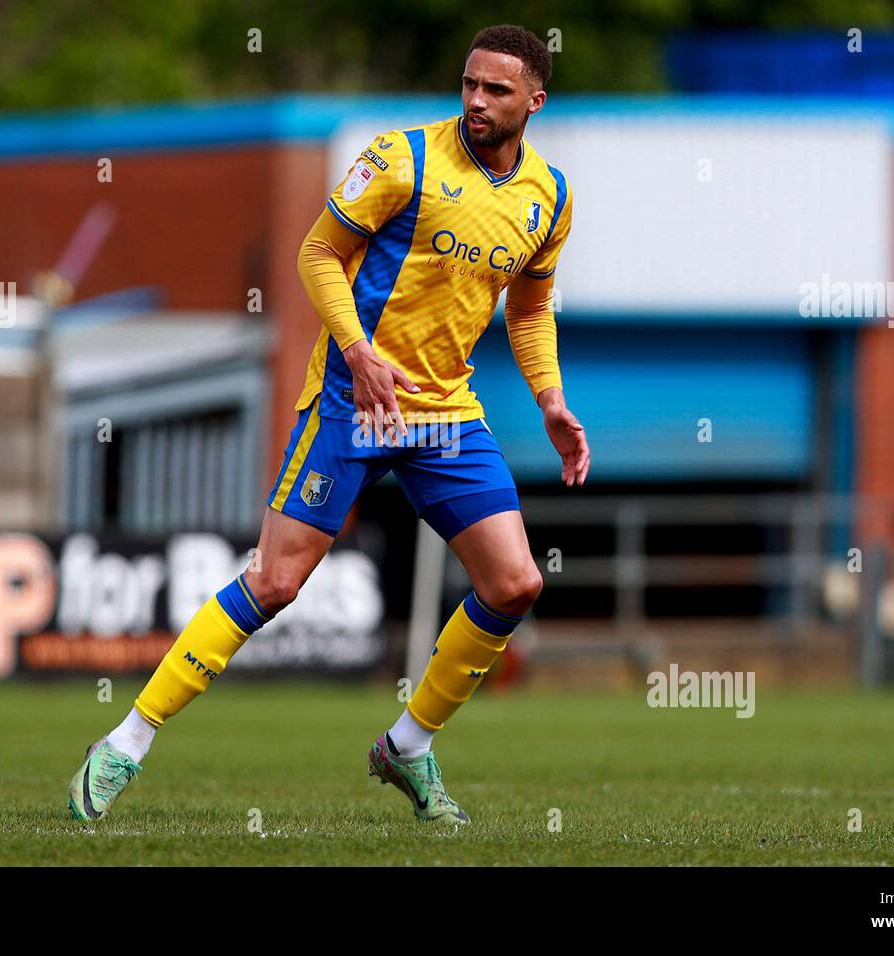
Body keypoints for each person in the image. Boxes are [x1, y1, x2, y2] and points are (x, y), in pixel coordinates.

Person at [68, 24, 589, 825]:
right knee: (276, 581)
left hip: (445, 411)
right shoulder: (403, 158)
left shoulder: (548, 196)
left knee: (515, 581)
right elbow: (318, 252)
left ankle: (407, 747)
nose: (477, 101)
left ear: (535, 100)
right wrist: (358, 351)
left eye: (497, 91)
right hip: (354, 401)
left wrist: (550, 398)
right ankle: (124, 743)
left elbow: (529, 308)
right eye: (470, 85)